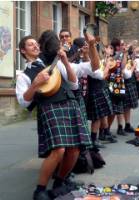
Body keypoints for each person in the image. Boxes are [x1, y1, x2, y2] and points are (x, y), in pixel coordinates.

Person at [15, 30, 95, 200]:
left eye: (35, 43)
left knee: (74, 149)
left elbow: (73, 84)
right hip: (49, 108)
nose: (35, 45)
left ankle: (60, 182)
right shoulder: (23, 75)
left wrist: (65, 61)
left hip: (69, 103)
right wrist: (35, 84)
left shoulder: (54, 61)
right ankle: (40, 190)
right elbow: (24, 102)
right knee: (59, 150)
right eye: (30, 44)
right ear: (23, 50)